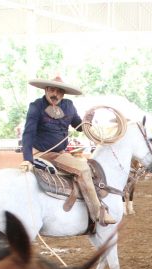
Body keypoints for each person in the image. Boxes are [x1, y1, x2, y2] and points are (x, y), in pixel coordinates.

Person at [21, 75, 116, 225]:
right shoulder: (36, 106)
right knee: (83, 169)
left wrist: (87, 121)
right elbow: (28, 133)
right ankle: (98, 213)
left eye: (59, 92)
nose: (55, 94)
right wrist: (27, 158)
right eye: (52, 90)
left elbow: (78, 126)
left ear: (63, 94)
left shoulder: (69, 106)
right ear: (46, 90)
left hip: (61, 153)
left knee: (91, 168)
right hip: (43, 153)